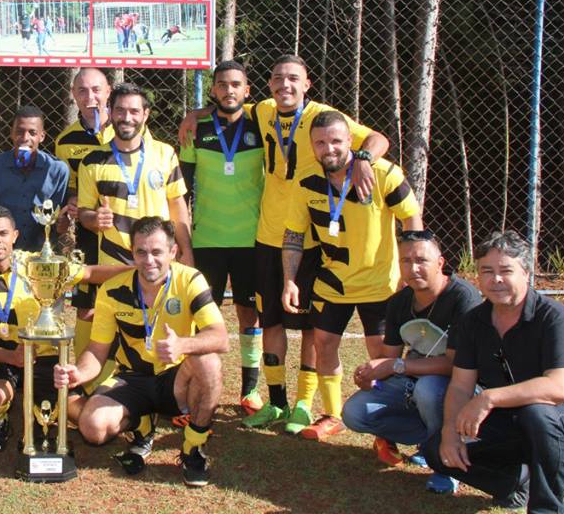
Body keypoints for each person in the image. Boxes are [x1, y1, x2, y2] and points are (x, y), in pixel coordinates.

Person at [181, 55, 390, 435]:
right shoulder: (262, 110)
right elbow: (228, 102)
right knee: (270, 319)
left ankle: (304, 405)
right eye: (277, 79)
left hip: (309, 236)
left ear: (307, 84)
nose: (285, 85)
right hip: (266, 234)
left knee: (311, 326)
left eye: (293, 79)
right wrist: (197, 113)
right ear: (269, 86)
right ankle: (276, 402)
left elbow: (378, 139)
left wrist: (362, 158)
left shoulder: (324, 115)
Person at [55, 217, 228, 487]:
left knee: (208, 361)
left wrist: (183, 345)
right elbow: (97, 351)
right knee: (92, 428)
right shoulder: (112, 290)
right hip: (133, 378)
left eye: (157, 252)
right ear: (132, 252)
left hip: (176, 380)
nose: (149, 260)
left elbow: (221, 338)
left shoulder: (191, 280)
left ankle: (193, 448)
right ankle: (142, 426)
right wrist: (79, 372)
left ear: (172, 252)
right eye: (141, 252)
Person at [282, 109, 422, 441]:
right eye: (320, 143)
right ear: (312, 146)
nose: (328, 148)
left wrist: (409, 271)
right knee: (324, 344)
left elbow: (411, 219)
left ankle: (383, 431)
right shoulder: (305, 184)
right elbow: (293, 237)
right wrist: (289, 279)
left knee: (382, 356)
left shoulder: (383, 173)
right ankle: (332, 414)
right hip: (332, 283)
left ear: (349, 141)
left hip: (380, 285)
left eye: (335, 141)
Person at [0, 205, 129, 452]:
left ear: (15, 235)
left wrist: (136, 270)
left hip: (46, 357)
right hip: (1, 358)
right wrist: (12, 357)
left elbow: (89, 273)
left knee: (80, 414)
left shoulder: (37, 264)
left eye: (3, 233)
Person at [423, 231, 564, 512]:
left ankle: (547, 508)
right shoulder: (472, 322)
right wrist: (449, 432)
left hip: (557, 421)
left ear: (526, 272)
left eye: (506, 270)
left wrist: (489, 398)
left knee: (537, 414)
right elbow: (460, 386)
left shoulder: (554, 317)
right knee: (437, 451)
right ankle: (515, 482)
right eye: (486, 271)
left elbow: (561, 387)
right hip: (508, 422)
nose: (496, 279)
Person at [341, 229, 481, 494]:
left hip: (460, 388)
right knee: (354, 413)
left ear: (440, 263)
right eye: (406, 260)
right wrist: (371, 373)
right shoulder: (398, 303)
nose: (413, 267)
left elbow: (456, 365)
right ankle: (431, 442)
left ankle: (449, 464)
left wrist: (396, 367)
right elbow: (390, 356)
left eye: (421, 260)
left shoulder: (464, 298)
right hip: (412, 381)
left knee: (427, 389)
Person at [179, 60, 265, 415]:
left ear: (247, 90)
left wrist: (196, 109)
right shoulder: (196, 129)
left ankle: (250, 389)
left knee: (250, 314)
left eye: (236, 85)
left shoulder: (263, 123)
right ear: (213, 89)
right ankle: (199, 384)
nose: (229, 90)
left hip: (251, 239)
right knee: (201, 316)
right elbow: (180, 189)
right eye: (221, 85)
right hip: (207, 239)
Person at [78, 82, 193, 269]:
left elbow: (177, 206)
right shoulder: (92, 161)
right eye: (120, 111)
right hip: (114, 263)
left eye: (134, 111)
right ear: (111, 112)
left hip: (157, 261)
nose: (127, 118)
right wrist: (94, 219)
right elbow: (84, 212)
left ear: (145, 114)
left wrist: (187, 252)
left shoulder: (165, 154)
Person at [54, 68, 114, 358]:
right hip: (90, 231)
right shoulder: (65, 140)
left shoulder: (127, 125)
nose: (90, 97)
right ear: (73, 96)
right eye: (82, 91)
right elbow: (68, 189)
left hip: (127, 230)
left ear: (108, 91)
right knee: (87, 305)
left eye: (96, 89)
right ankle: (82, 374)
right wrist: (73, 200)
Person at [0, 105, 70, 252]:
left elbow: (57, 216)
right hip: (2, 250)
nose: (25, 138)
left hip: (42, 251)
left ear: (42, 136)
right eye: (19, 132)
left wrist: (62, 224)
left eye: (32, 133)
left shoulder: (57, 170)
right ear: (11, 133)